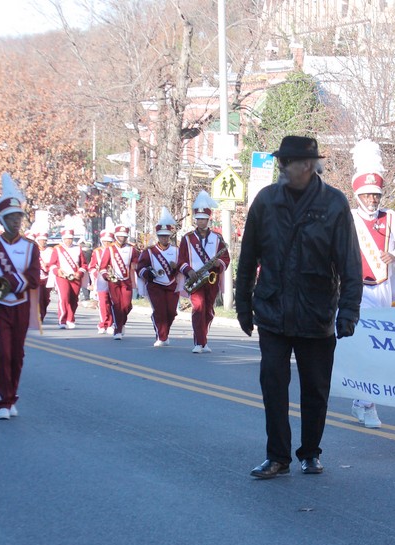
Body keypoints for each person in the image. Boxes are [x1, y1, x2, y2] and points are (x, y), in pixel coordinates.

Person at [235, 135, 362, 479]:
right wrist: (243, 306)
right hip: (273, 310)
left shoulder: (334, 204)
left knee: (315, 389)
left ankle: (310, 452)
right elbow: (248, 258)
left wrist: (348, 312)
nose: (282, 168)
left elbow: (350, 264)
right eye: (281, 162)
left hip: (317, 312)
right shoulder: (266, 201)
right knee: (273, 385)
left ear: (307, 165)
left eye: (287, 162)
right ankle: (277, 456)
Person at [347, 140, 395, 428]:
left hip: (384, 288)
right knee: (368, 346)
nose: (373, 200)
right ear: (358, 195)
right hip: (356, 290)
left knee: (378, 347)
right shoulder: (348, 218)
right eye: (367, 195)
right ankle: (369, 404)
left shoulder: (391, 218)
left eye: (376, 195)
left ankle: (361, 401)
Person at [0, 173, 40, 420]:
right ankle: (2, 401)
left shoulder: (31, 247)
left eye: (19, 217)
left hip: (20, 305)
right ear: (2, 219)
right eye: (11, 217)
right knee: (1, 352)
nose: (16, 221)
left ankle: (12, 395)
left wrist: (5, 283)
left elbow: (33, 278)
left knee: (17, 354)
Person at [178, 191, 230, 353]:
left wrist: (217, 263)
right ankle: (198, 342)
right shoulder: (187, 238)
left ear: (208, 220)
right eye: (198, 219)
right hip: (195, 278)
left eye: (204, 219)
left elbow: (226, 259)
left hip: (211, 279)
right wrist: (189, 271)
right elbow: (181, 260)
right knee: (198, 308)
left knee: (209, 310)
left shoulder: (217, 238)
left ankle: (203, 340)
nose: (201, 222)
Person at [137, 209, 181, 347]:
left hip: (172, 284)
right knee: (160, 311)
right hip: (155, 284)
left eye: (166, 236)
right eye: (161, 236)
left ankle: (164, 332)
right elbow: (140, 268)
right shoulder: (149, 251)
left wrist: (176, 267)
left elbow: (183, 265)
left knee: (172, 312)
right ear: (158, 236)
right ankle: (161, 336)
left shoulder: (176, 250)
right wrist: (147, 274)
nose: (164, 239)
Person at [98, 224, 137, 340]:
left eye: (124, 236)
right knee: (116, 305)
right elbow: (103, 267)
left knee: (126, 305)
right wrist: (107, 276)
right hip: (113, 281)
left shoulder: (131, 249)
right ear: (116, 236)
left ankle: (121, 323)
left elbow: (135, 262)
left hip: (126, 281)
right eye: (119, 236)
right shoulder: (109, 249)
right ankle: (118, 329)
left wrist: (136, 265)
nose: (122, 238)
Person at [48, 228, 88, 329]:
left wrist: (79, 273)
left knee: (74, 299)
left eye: (70, 238)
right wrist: (58, 272)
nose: (68, 241)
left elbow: (84, 264)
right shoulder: (57, 249)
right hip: (62, 277)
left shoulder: (78, 248)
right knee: (64, 297)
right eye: (66, 239)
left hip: (75, 277)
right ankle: (62, 319)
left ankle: (70, 318)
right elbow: (52, 264)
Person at [90, 230, 115, 334]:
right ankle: (103, 323)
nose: (106, 243)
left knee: (113, 302)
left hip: (114, 279)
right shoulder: (97, 252)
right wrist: (97, 274)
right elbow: (91, 267)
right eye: (104, 241)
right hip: (101, 279)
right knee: (103, 302)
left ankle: (111, 323)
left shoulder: (115, 250)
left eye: (108, 241)